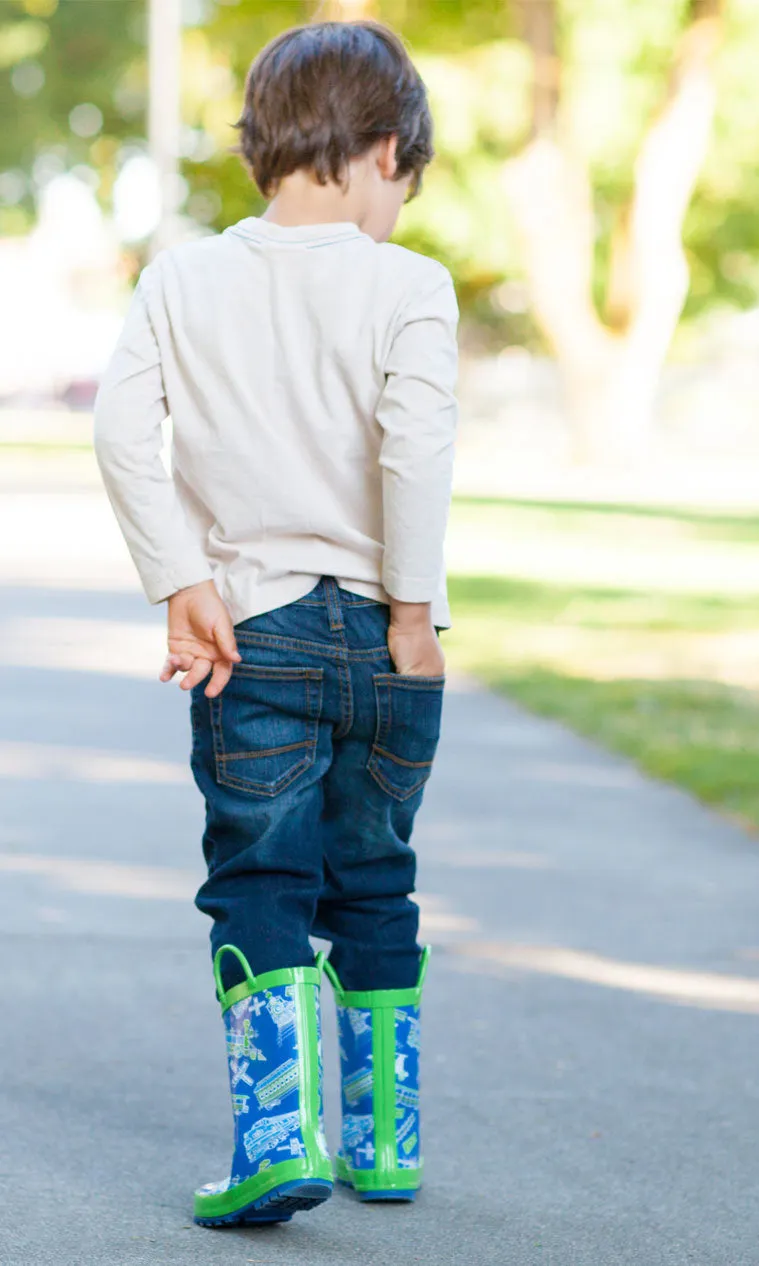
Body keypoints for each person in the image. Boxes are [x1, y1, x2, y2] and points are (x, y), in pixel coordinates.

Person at [93, 20, 457, 1227]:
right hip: (385, 637)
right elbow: (415, 452)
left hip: (250, 637)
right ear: (387, 149)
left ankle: (275, 1138)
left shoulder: (181, 277)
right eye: (403, 184)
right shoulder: (409, 284)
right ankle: (385, 1144)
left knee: (261, 877)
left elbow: (118, 434)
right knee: (377, 879)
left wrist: (179, 580)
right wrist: (413, 614)